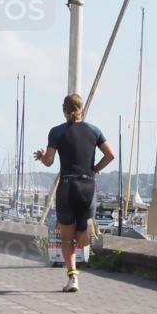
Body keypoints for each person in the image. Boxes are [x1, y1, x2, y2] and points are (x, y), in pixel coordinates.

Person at [33, 93, 115, 292]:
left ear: (64, 111)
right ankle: (87, 233)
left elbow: (50, 161)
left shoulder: (57, 132)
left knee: (66, 239)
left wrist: (42, 156)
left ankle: (73, 279)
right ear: (82, 110)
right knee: (80, 236)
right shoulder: (94, 130)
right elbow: (110, 155)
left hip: (67, 187)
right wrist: (94, 169)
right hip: (88, 185)